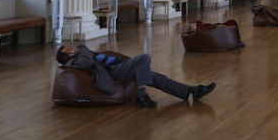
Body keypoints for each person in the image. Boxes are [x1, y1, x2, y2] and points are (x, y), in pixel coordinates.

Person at [56, 44, 216, 108]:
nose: (72, 46)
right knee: (144, 58)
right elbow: (84, 62)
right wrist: (80, 49)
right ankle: (142, 95)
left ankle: (190, 91)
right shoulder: (74, 60)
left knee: (158, 78)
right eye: (68, 49)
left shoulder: (81, 54)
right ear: (67, 56)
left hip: (119, 66)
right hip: (114, 72)